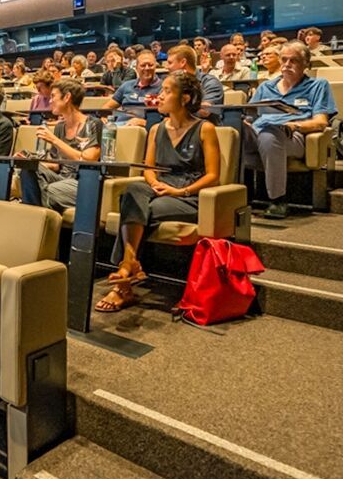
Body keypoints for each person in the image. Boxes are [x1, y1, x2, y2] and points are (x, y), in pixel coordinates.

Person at [99, 72, 220, 312]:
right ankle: (130, 264)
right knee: (133, 190)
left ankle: (125, 274)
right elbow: (149, 169)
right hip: (160, 186)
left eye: (166, 91)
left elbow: (213, 176)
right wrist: (155, 185)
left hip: (190, 194)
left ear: (185, 98)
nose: (159, 96)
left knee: (143, 208)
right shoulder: (156, 129)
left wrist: (179, 191)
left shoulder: (205, 129)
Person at [243, 42, 336, 218]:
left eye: (293, 60)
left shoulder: (317, 86)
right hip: (258, 132)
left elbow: (321, 122)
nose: (287, 64)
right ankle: (237, 194)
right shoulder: (266, 87)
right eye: (284, 60)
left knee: (269, 134)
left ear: (306, 63)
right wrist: (244, 124)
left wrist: (295, 125)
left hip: (293, 136)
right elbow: (250, 117)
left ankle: (278, 200)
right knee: (232, 130)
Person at [19, 79, 102, 214]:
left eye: (53, 96)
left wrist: (54, 140)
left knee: (46, 190)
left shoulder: (93, 124)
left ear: (67, 97)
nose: (50, 101)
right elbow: (56, 164)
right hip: (61, 177)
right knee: (27, 169)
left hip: (82, 181)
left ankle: (35, 217)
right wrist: (32, 162)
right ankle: (37, 217)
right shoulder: (60, 127)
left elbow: (88, 160)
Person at [103, 51, 163, 126]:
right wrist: (103, 116)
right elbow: (107, 107)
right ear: (137, 68)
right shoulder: (127, 85)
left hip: (143, 127)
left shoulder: (162, 87)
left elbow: (162, 116)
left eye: (150, 65)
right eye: (143, 65)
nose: (147, 68)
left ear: (155, 66)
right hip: (120, 124)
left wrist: (145, 123)